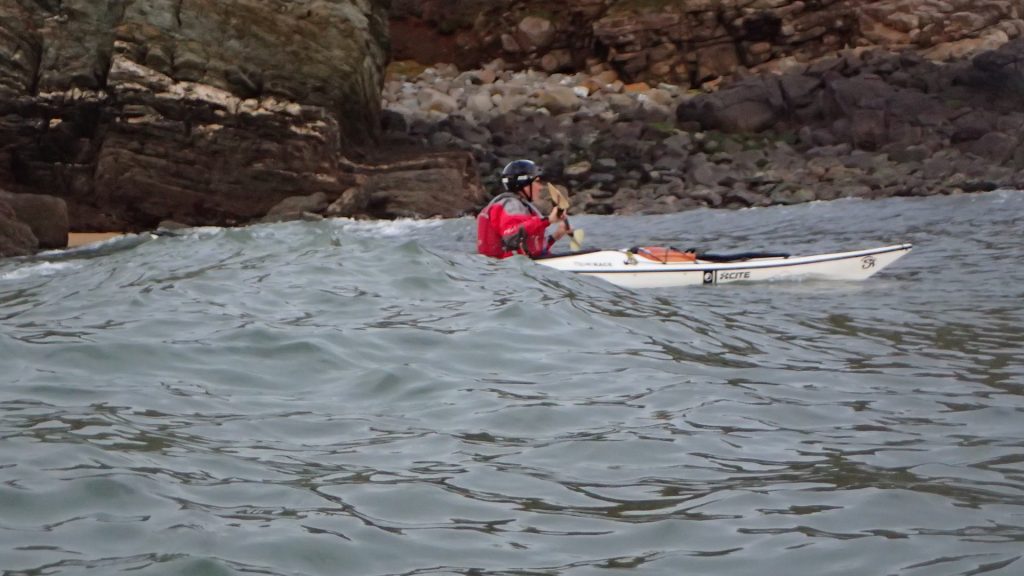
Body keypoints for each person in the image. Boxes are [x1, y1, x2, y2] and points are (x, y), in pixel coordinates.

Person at [477, 160, 569, 259]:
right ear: (524, 184)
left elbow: (530, 248)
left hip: (511, 266)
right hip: (505, 269)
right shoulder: (511, 205)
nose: (541, 187)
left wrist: (555, 236)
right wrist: (548, 220)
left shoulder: (521, 206)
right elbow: (511, 236)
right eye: (537, 182)